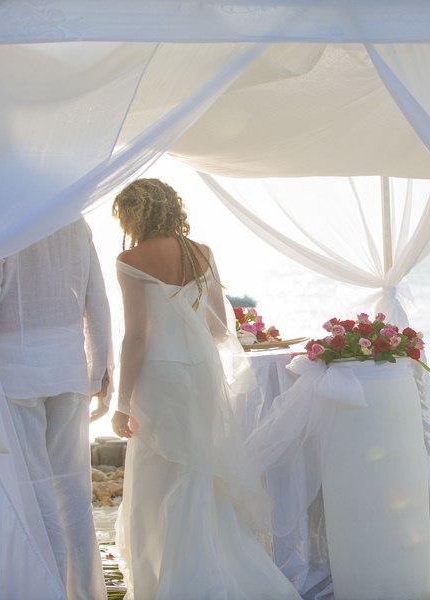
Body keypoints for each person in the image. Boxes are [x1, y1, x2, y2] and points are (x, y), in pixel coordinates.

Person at [110, 178, 300, 600]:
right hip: (200, 373)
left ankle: (171, 579)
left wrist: (122, 402)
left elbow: (136, 337)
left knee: (159, 474)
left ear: (134, 214)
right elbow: (218, 326)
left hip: (159, 374)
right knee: (198, 470)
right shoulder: (202, 254)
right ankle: (221, 568)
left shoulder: (130, 259)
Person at [0, 217, 112, 600]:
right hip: (68, 367)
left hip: (14, 372)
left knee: (33, 490)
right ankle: (82, 591)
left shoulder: (1, 221)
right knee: (73, 488)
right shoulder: (74, 219)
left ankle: (46, 589)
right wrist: (98, 372)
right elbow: (96, 301)